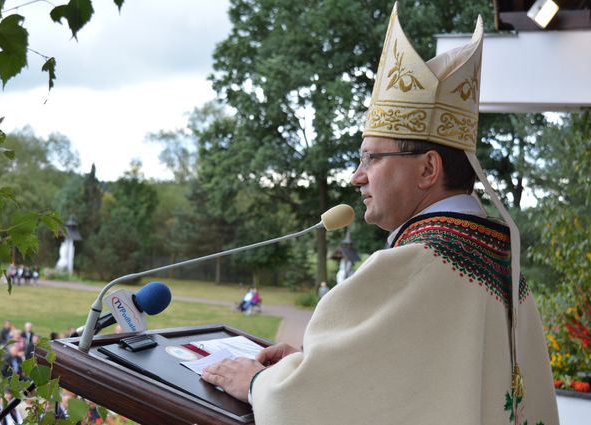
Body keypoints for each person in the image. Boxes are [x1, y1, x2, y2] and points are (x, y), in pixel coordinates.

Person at [200, 4, 558, 424]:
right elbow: (434, 384)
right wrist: (311, 364)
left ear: (428, 169)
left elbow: (305, 408)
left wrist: (262, 384)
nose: (356, 177)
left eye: (371, 159)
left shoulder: (420, 262)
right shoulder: (498, 257)